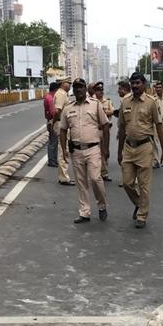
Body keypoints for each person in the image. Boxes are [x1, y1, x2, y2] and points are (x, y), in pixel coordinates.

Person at [116, 72, 163, 229]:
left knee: (144, 184)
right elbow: (122, 129)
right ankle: (140, 204)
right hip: (128, 147)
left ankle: (142, 216)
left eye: (138, 83)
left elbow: (159, 127)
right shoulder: (125, 102)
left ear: (144, 84)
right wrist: (119, 152)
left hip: (145, 147)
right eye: (132, 83)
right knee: (127, 183)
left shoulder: (151, 103)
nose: (135, 85)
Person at [59, 78, 109, 225]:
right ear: (73, 90)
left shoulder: (95, 105)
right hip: (76, 151)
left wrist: (105, 148)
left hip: (93, 149)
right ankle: (84, 212)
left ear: (86, 89)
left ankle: (101, 205)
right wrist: (64, 149)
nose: (78, 90)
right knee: (81, 183)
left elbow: (105, 125)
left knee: (95, 178)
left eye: (81, 87)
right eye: (75, 87)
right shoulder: (68, 108)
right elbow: (62, 130)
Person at [91, 81, 114, 182]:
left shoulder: (107, 102)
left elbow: (112, 111)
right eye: (97, 90)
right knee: (94, 152)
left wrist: (103, 112)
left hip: (105, 130)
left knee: (104, 151)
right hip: (95, 130)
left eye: (101, 90)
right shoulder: (92, 102)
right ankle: (96, 172)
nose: (100, 92)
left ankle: (104, 172)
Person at [52, 78, 73, 185]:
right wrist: (54, 121)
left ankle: (64, 175)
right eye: (68, 83)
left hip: (64, 124)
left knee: (65, 149)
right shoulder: (60, 94)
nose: (70, 85)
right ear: (62, 83)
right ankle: (63, 177)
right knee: (63, 150)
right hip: (61, 124)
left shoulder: (64, 94)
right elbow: (57, 110)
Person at [43, 82, 58, 168]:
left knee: (53, 141)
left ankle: (53, 160)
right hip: (53, 121)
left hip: (50, 120)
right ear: (55, 89)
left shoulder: (47, 97)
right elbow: (53, 112)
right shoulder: (51, 98)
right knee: (53, 142)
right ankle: (52, 161)